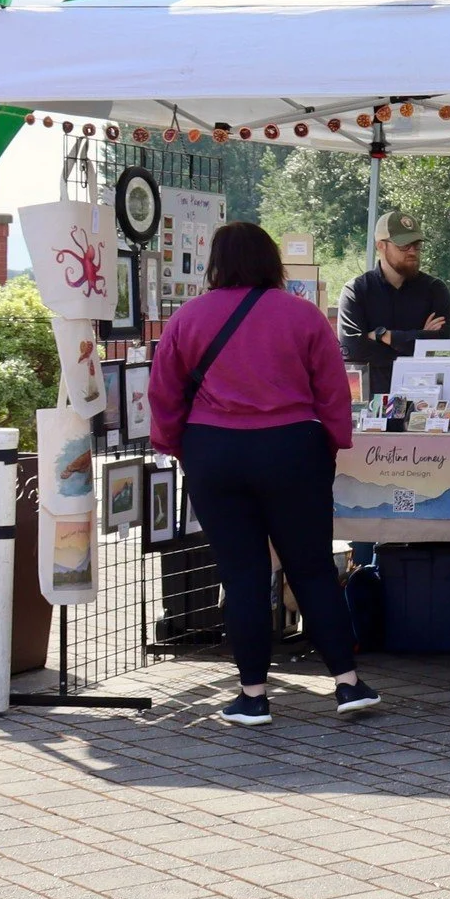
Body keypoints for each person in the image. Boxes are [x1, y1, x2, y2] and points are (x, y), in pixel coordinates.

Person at [149, 222, 380, 727]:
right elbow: (332, 389)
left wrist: (173, 445)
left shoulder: (188, 318)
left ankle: (252, 695)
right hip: (292, 449)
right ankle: (347, 683)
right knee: (312, 567)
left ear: (216, 262)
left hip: (214, 452)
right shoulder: (301, 315)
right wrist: (334, 441)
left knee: (243, 574)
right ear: (272, 261)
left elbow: (163, 393)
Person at [337, 210, 450, 397]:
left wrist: (383, 336)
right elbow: (353, 350)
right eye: (404, 245)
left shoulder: (434, 289)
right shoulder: (356, 291)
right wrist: (418, 342)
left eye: (417, 245)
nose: (413, 252)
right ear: (380, 246)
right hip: (372, 407)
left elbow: (443, 346)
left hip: (424, 401)